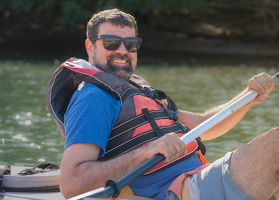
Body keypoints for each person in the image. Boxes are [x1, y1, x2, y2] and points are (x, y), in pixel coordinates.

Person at [46, 9, 279, 200]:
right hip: (178, 192)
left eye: (130, 44)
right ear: (90, 47)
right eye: (111, 42)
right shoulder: (93, 98)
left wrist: (249, 95)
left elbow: (203, 124)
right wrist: (146, 151)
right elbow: (72, 184)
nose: (122, 51)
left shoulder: (140, 91)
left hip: (199, 178)